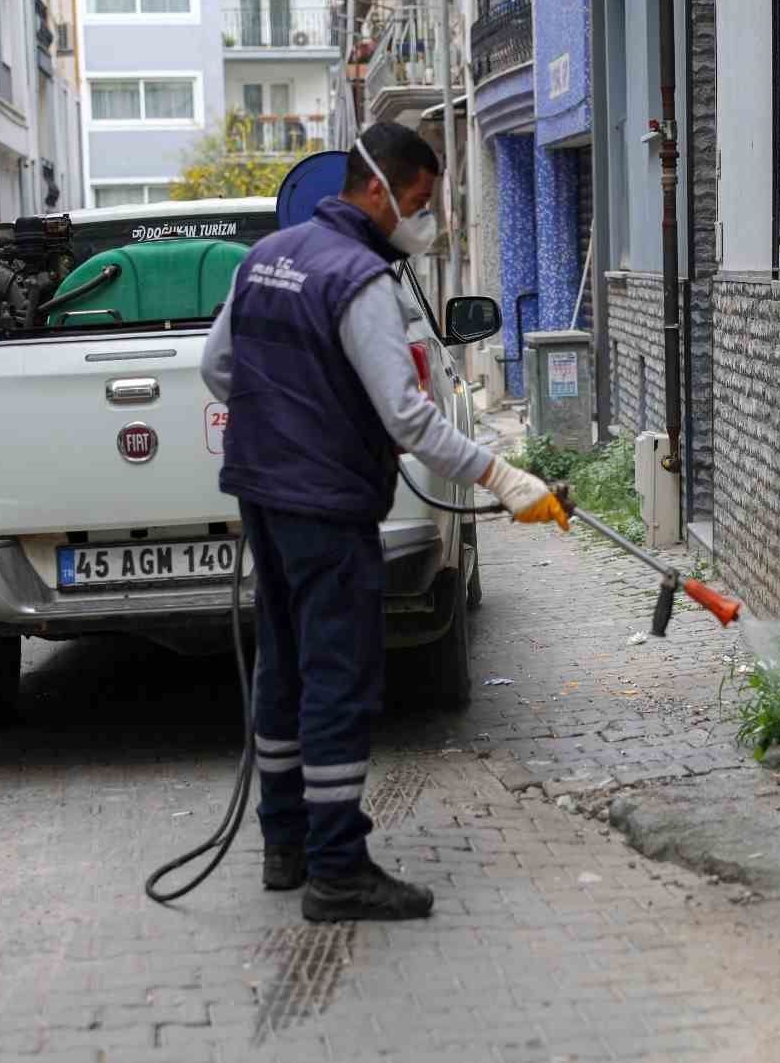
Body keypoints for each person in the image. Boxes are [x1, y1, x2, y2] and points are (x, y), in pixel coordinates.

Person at [200, 122, 568, 922]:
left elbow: (217, 367)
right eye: (420, 200)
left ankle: (285, 846)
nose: (425, 217)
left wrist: (287, 419)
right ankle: (338, 871)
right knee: (338, 679)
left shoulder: (264, 258)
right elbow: (408, 417)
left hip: (263, 496)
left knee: (283, 668)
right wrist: (503, 476)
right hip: (327, 506)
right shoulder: (361, 279)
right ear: (376, 188)